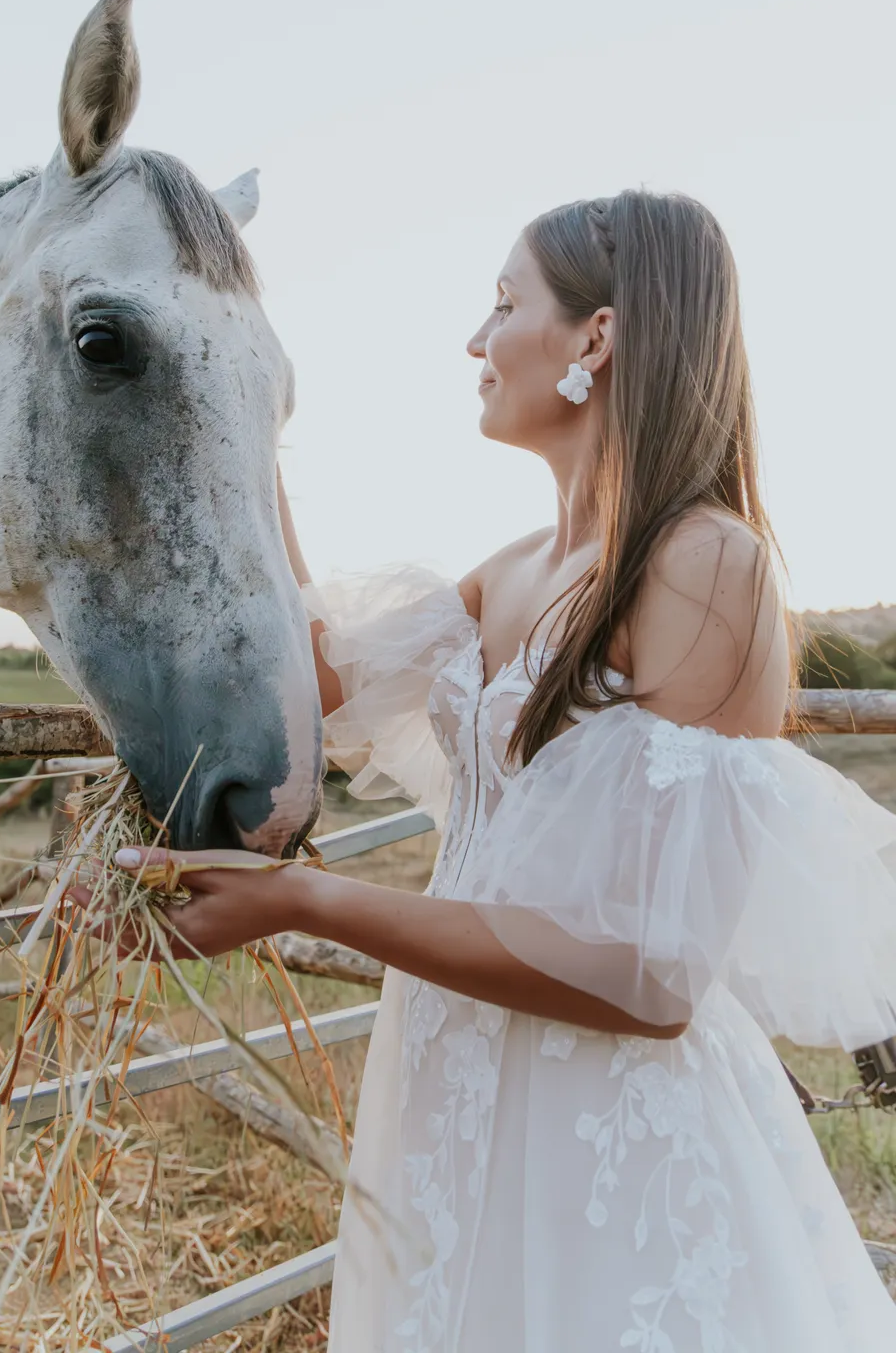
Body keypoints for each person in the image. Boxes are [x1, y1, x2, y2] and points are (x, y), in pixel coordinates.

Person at [97, 191, 896, 1348]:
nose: (475, 339)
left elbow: (652, 977)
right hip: (450, 1081)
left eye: (504, 304)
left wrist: (307, 899)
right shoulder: (514, 568)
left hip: (603, 1128)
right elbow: (314, 677)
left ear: (595, 338)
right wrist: (240, 423)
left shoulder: (704, 566)